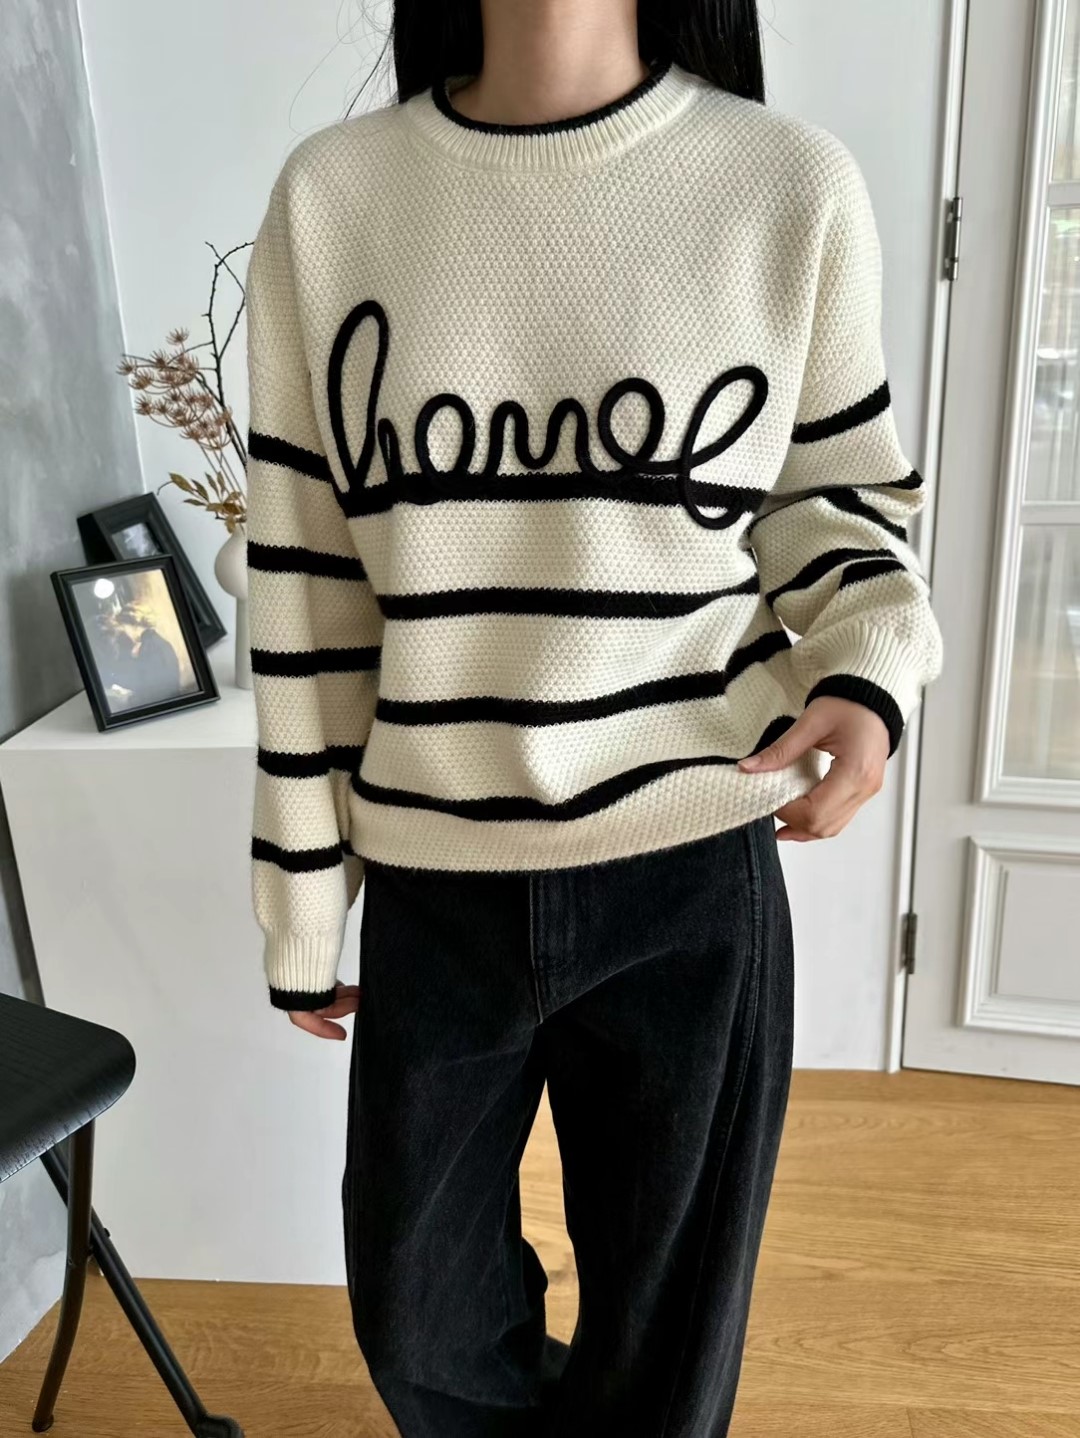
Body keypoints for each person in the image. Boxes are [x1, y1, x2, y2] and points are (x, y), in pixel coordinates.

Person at [243, 2, 945, 1433]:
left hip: (688, 861)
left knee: (671, 1343)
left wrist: (867, 668)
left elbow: (834, 498)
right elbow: (307, 589)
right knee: (420, 1321)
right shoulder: (335, 199)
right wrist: (306, 896)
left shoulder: (786, 185)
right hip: (439, 878)